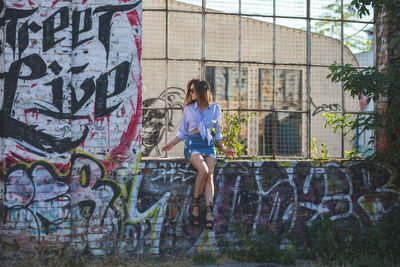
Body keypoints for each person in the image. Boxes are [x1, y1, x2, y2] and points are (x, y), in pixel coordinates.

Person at [161, 78, 235, 230]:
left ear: (201, 92)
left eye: (193, 90)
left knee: (209, 177)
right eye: (190, 90)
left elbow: (218, 134)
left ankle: (209, 212)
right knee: (204, 170)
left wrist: (224, 149)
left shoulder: (215, 108)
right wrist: (172, 143)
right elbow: (182, 131)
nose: (190, 93)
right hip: (193, 143)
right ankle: (195, 204)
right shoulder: (189, 109)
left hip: (208, 144)